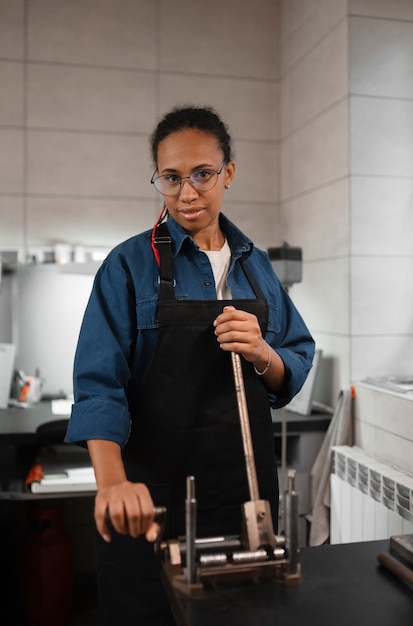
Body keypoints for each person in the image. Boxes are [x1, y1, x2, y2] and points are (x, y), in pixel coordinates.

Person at [65, 105, 315, 625]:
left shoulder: (257, 266)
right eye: (171, 178)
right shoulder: (129, 266)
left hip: (248, 504)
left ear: (228, 172)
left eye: (202, 174)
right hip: (154, 506)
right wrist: (111, 483)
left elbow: (293, 364)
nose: (187, 193)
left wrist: (262, 353)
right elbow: (98, 387)